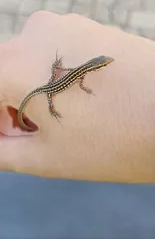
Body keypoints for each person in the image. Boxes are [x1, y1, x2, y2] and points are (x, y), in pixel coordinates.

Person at [0, 11, 154, 183]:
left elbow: (71, 77)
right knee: (49, 97)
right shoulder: (80, 75)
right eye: (104, 63)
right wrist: (73, 96)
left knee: (51, 84)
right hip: (52, 88)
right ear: (96, 66)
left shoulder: (82, 69)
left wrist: (57, 67)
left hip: (54, 82)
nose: (105, 63)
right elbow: (78, 84)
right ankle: (49, 110)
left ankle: (40, 108)